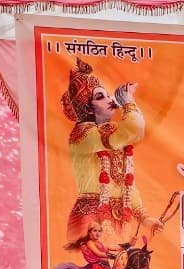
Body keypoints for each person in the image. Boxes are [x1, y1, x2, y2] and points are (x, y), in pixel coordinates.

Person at [61, 58, 156, 247]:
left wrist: (144, 218)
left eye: (107, 95)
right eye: (100, 97)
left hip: (118, 219)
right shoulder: (84, 135)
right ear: (88, 108)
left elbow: (125, 184)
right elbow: (134, 128)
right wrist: (128, 102)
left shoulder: (113, 138)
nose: (110, 99)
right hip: (90, 221)